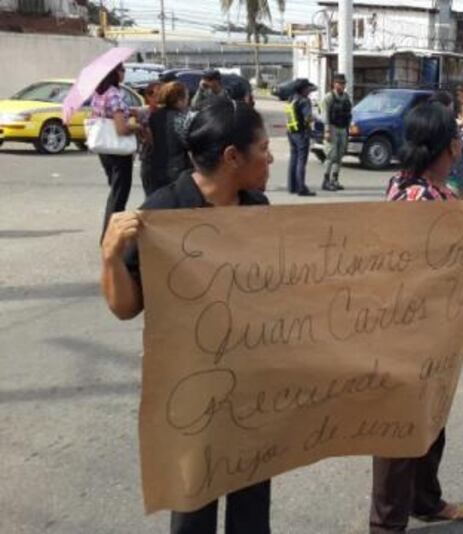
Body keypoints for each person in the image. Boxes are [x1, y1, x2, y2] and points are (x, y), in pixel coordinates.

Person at [100, 100, 274, 534]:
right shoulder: (165, 211)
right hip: (191, 389)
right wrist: (111, 259)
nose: (271, 158)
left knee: (252, 503)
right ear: (233, 157)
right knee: (194, 504)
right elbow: (126, 308)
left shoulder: (258, 208)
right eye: (264, 149)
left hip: (253, 385)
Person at [372, 102, 463, 533]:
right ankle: (387, 523)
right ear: (451, 146)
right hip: (411, 331)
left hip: (430, 330)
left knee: (431, 418)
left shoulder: (405, 184)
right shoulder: (428, 199)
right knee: (399, 431)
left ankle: (425, 500)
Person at [92, 63, 141, 241]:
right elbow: (121, 128)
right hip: (119, 151)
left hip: (104, 149)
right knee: (119, 195)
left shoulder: (99, 93)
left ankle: (107, 235)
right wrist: (136, 126)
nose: (124, 74)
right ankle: (109, 237)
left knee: (114, 191)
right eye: (122, 70)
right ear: (115, 73)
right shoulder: (114, 95)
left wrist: (130, 111)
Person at [141, 82, 193, 196]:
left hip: (153, 167)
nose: (188, 101)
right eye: (186, 97)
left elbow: (149, 140)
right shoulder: (182, 118)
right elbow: (187, 143)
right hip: (175, 170)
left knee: (155, 205)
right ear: (180, 99)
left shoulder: (154, 116)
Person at [322, 73, 352, 192]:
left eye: (344, 83)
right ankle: (326, 180)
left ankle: (335, 179)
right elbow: (325, 115)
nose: (343, 86)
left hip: (343, 128)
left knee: (339, 156)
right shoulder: (329, 97)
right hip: (332, 128)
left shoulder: (345, 97)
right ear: (335, 84)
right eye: (340, 83)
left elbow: (348, 113)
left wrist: (348, 129)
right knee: (331, 155)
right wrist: (327, 131)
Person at [286, 79, 317, 196]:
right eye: (308, 89)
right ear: (303, 89)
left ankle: (292, 186)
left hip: (291, 131)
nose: (309, 91)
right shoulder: (304, 101)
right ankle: (301, 188)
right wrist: (314, 118)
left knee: (293, 159)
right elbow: (308, 118)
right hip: (301, 133)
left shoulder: (292, 98)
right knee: (301, 161)